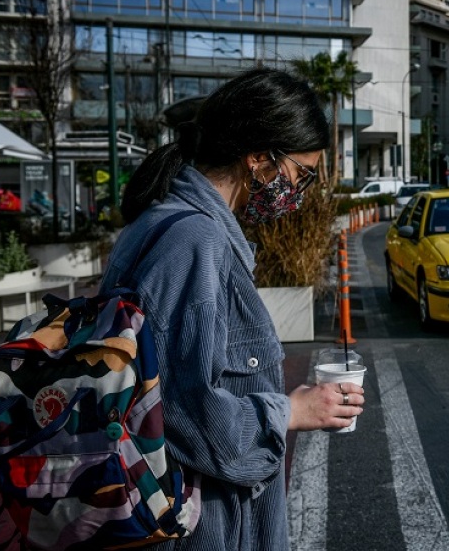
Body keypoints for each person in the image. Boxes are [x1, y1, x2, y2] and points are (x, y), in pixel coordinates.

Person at [98, 68, 364, 550]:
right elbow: (182, 410)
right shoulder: (194, 240)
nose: (300, 195)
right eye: (300, 175)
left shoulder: (161, 222)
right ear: (259, 159)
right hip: (203, 528)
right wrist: (291, 411)